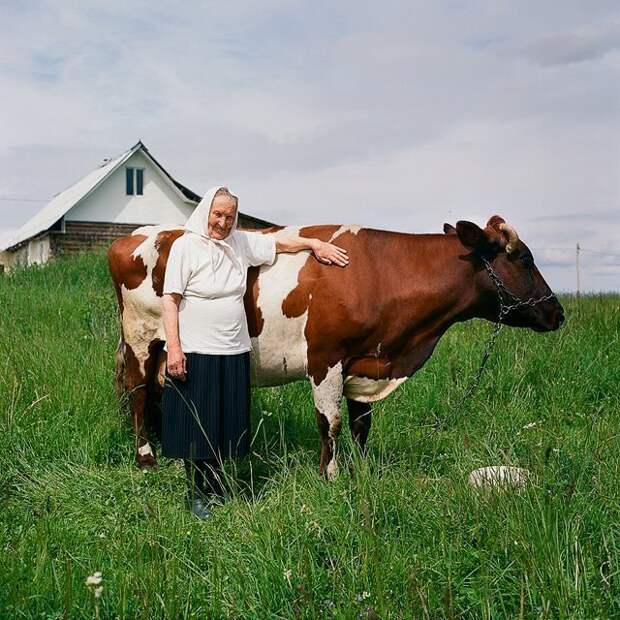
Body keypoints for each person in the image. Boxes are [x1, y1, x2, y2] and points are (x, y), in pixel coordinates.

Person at [161, 186, 349, 519]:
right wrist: (173, 348)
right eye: (217, 214)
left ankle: (218, 489)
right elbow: (170, 299)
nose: (223, 222)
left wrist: (313, 243)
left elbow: (279, 242)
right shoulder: (185, 246)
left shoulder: (239, 243)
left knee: (222, 425)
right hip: (196, 348)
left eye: (230, 216)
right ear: (206, 211)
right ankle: (197, 495)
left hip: (233, 349)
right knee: (198, 425)